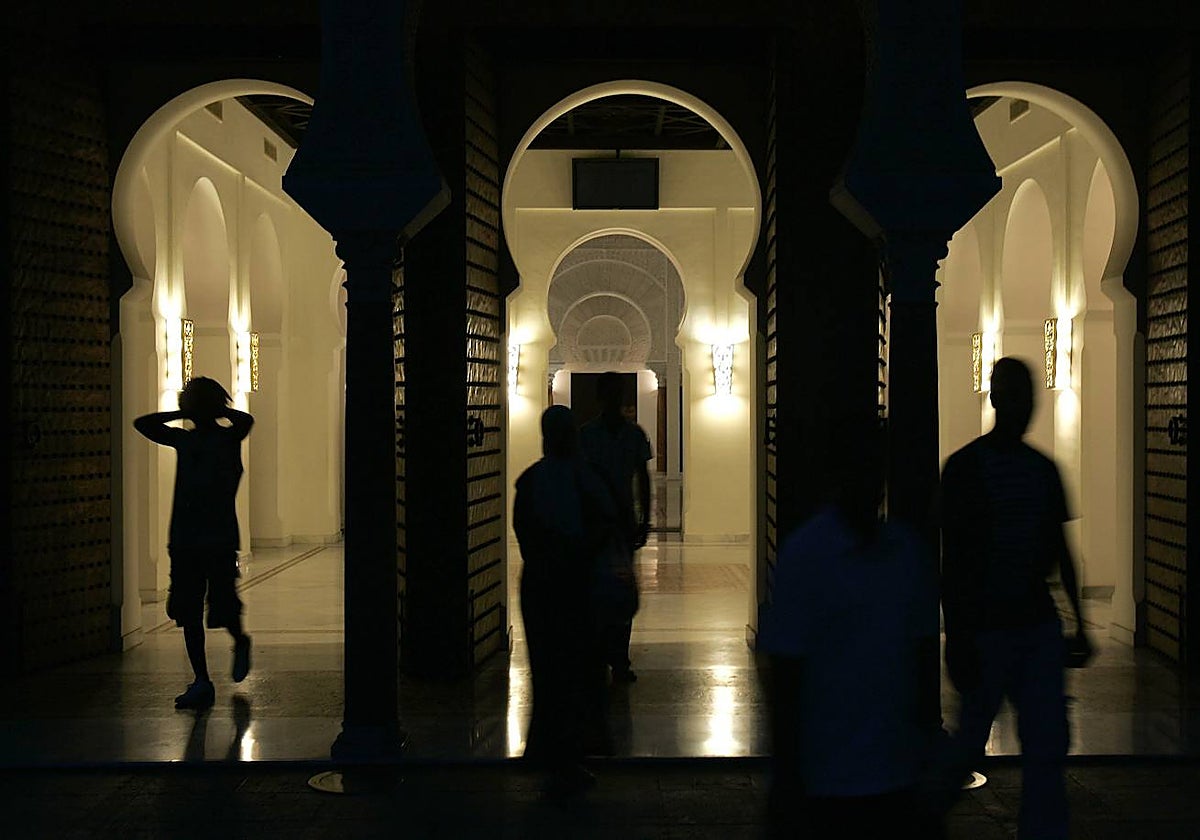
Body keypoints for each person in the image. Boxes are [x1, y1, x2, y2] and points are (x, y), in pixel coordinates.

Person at [936, 356, 1093, 839]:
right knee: (1039, 747)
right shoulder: (1039, 470)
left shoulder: (965, 468)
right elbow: (1058, 551)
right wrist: (1077, 621)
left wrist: (957, 631)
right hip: (1017, 623)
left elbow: (955, 561)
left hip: (1001, 624)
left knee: (981, 740)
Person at [758, 431, 942, 838]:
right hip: (846, 774)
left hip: (866, 769)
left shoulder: (814, 553)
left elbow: (786, 671)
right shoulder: (899, 552)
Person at [513, 405, 616, 798]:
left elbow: (525, 532)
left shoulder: (532, 480)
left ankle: (551, 752)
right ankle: (572, 754)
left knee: (549, 670)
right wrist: (579, 553)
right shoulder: (586, 477)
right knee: (578, 669)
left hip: (541, 585)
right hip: (575, 585)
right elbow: (608, 522)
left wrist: (549, 556)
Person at [134, 376, 254, 710]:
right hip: (188, 537)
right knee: (188, 609)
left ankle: (239, 641)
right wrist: (187, 413)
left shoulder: (227, 438)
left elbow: (245, 420)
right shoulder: (186, 440)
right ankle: (201, 679)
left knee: (223, 602)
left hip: (216, 536)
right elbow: (142, 424)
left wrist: (201, 411)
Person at [578, 372, 652, 683]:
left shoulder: (629, 435)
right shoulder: (589, 435)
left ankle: (618, 658)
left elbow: (643, 479)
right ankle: (603, 655)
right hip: (598, 522)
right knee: (599, 589)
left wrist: (645, 519)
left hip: (619, 522)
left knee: (619, 589)